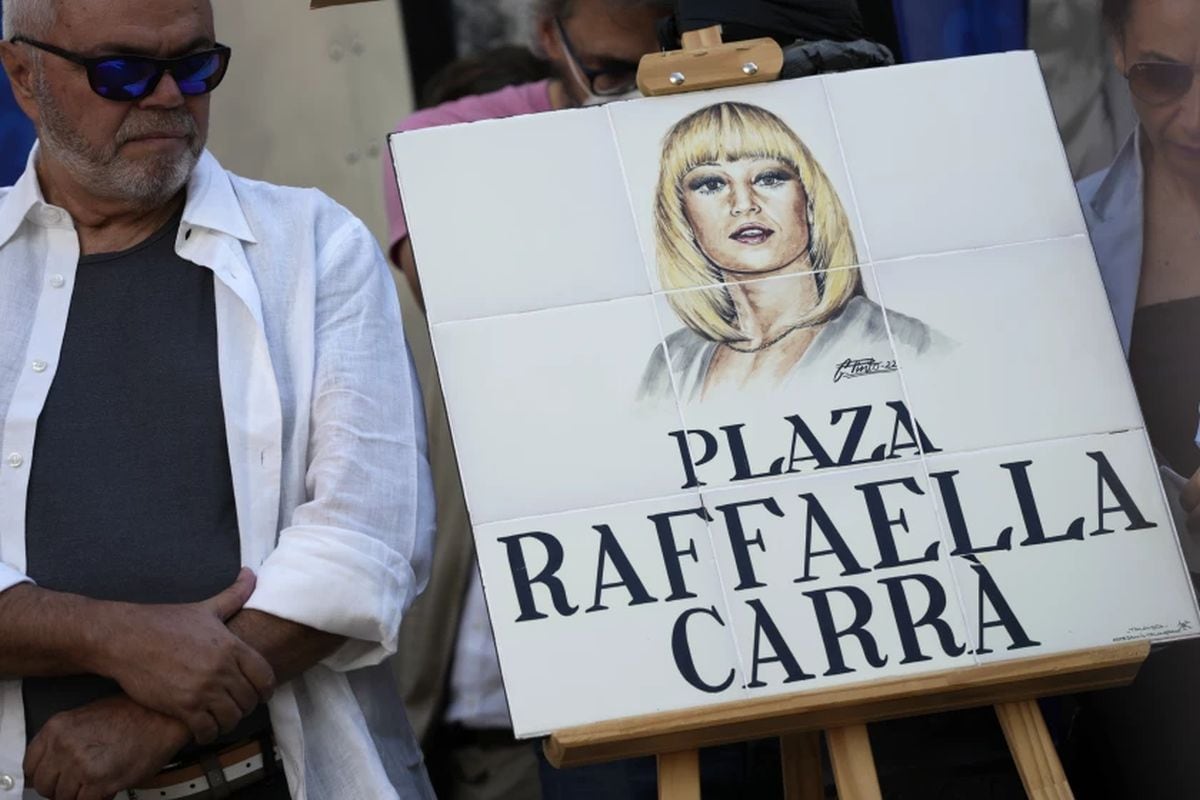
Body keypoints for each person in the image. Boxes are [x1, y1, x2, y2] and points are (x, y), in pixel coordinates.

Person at [0, 0, 434, 798]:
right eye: (123, 71)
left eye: (196, 66)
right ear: (24, 76)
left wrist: (157, 717)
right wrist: (117, 638)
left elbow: (367, 541)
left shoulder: (313, 245)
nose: (167, 96)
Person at [382, 4, 670, 798]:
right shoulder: (444, 161)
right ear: (551, 39)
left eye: (665, 68)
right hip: (506, 726)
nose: (640, 103)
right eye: (610, 75)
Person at [1070, 0, 1200, 796]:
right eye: (1163, 78)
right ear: (1117, 51)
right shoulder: (1065, 231)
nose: (1196, 117)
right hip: (1150, 683)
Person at [639, 101, 947, 404]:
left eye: (769, 178)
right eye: (711, 184)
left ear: (810, 202)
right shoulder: (672, 364)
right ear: (682, 217)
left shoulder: (906, 344)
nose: (744, 203)